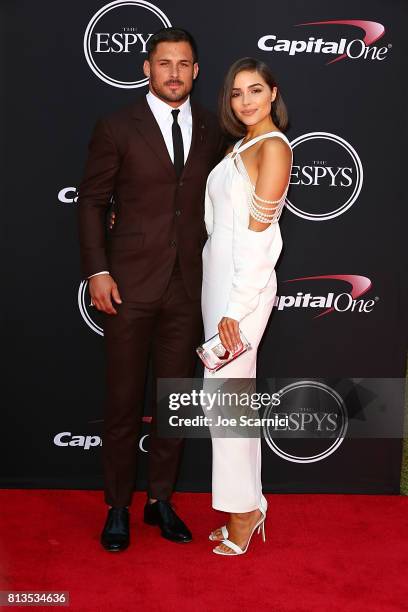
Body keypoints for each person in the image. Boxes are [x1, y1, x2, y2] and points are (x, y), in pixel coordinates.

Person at [77, 27, 224, 552]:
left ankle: (160, 500)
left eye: (184, 64)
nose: (174, 73)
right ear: (147, 68)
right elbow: (91, 202)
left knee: (174, 400)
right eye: (165, 64)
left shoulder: (212, 127)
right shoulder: (117, 126)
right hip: (129, 285)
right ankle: (117, 505)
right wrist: (97, 271)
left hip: (188, 287)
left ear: (196, 72)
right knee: (121, 402)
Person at [201, 57, 292, 555]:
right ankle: (248, 502)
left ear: (273, 93)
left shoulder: (273, 148)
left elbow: (261, 239)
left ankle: (243, 513)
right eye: (237, 93)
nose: (246, 101)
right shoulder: (241, 145)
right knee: (229, 404)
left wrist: (235, 308)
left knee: (228, 406)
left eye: (255, 90)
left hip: (242, 293)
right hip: (218, 287)